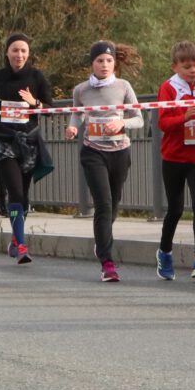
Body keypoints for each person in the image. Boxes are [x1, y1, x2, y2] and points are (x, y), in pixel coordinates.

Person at [64, 41, 144, 283]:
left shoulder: (123, 86)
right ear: (92, 63)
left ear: (114, 63)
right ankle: (107, 264)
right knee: (104, 204)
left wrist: (122, 123)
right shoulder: (81, 90)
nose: (105, 65)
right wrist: (72, 127)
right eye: (100, 61)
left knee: (114, 203)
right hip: (93, 151)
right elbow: (77, 113)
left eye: (109, 60)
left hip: (119, 151)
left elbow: (139, 118)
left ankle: (101, 242)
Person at [0, 33, 55, 265]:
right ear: (7, 52)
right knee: (14, 191)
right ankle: (22, 245)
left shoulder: (36, 76)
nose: (19, 55)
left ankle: (15, 239)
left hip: (28, 141)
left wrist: (34, 103)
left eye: (23, 50)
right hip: (3, 140)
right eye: (15, 50)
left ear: (28, 53)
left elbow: (49, 108)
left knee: (23, 195)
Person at [155, 41, 195, 280]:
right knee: (176, 209)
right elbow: (163, 123)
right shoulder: (168, 88)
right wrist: (183, 117)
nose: (192, 70)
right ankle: (164, 252)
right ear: (175, 67)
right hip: (174, 157)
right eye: (186, 66)